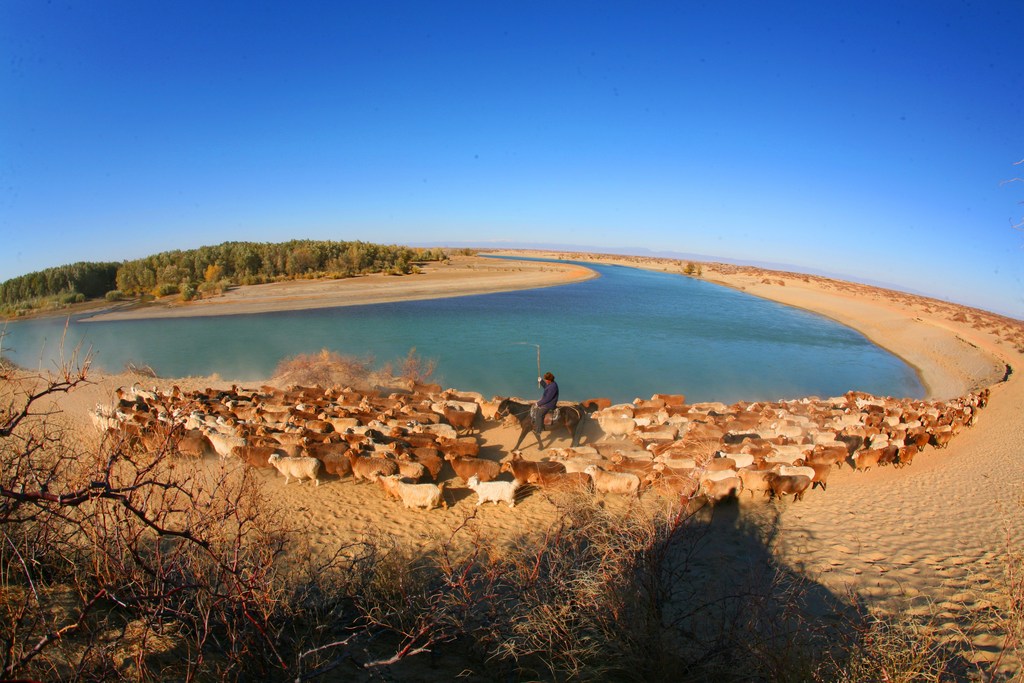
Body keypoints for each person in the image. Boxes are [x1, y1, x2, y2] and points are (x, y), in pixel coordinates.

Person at [533, 371, 559, 437]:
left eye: (546, 380)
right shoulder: (550, 383)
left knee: (539, 414)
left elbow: (548, 398)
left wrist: (538, 403)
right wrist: (541, 381)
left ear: (549, 380)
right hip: (547, 401)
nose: (545, 380)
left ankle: (539, 431)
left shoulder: (553, 387)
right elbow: (546, 387)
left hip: (550, 404)